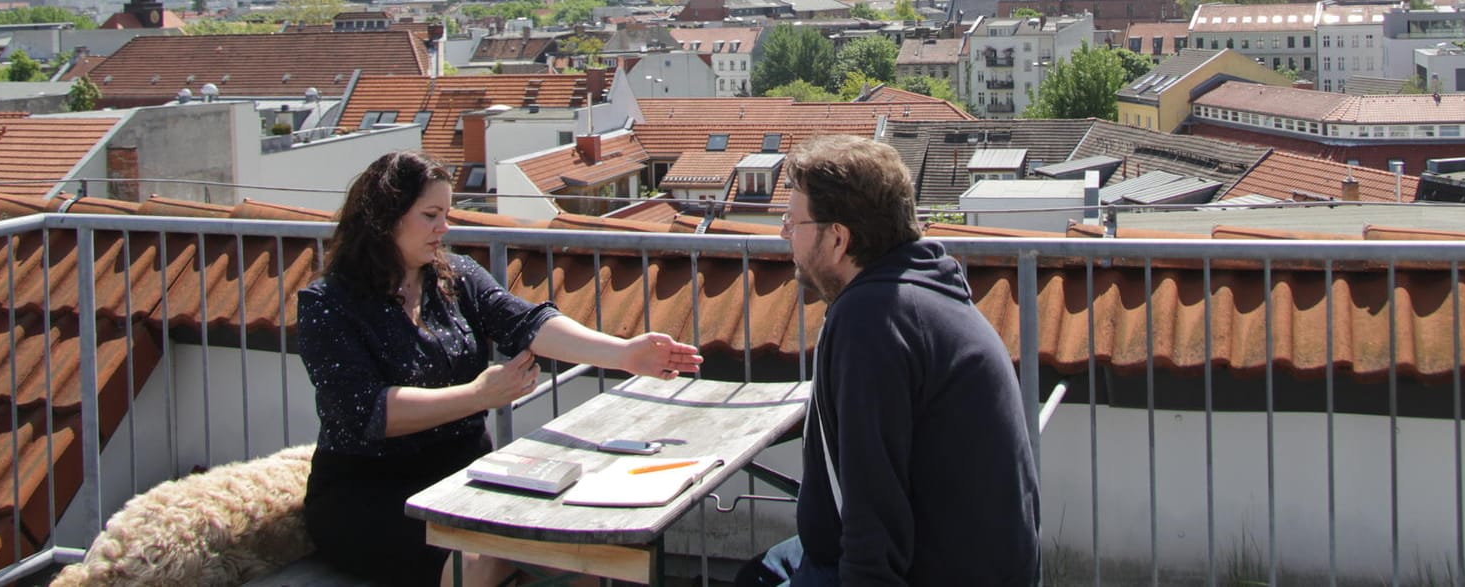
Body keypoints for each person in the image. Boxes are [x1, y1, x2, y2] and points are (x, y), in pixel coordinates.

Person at [298, 150, 702, 587]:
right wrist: (478, 396)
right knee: (485, 560)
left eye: (447, 213)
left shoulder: (455, 276)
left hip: (463, 478)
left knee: (591, 554)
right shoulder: (328, 303)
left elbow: (525, 322)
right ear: (385, 217)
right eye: (431, 214)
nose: (444, 227)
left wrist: (624, 354)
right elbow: (369, 413)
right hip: (367, 495)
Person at [738, 135, 1040, 586]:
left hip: (931, 569)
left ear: (838, 238)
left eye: (792, 221)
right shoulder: (922, 291)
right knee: (756, 575)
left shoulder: (871, 321)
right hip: (961, 557)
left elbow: (873, 520)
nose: (784, 234)